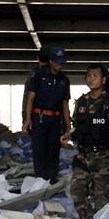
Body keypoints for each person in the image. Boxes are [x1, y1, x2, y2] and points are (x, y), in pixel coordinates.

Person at [61, 65, 109, 219]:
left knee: (102, 199)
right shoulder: (81, 102)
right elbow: (76, 127)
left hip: (103, 158)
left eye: (95, 76)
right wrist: (67, 136)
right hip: (83, 156)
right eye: (88, 75)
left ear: (104, 80)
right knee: (77, 191)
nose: (90, 78)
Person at [23, 46, 71, 183]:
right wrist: (27, 119)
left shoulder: (64, 79)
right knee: (39, 151)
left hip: (55, 120)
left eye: (61, 62)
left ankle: (51, 181)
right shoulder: (38, 75)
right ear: (50, 61)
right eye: (56, 62)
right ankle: (40, 182)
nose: (59, 65)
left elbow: (65, 104)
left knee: (53, 151)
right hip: (39, 118)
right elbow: (30, 98)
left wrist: (68, 126)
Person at [21, 46, 49, 124]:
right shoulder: (59, 77)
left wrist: (26, 119)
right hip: (54, 121)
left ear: (38, 58)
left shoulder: (34, 75)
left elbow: (27, 99)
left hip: (36, 119)